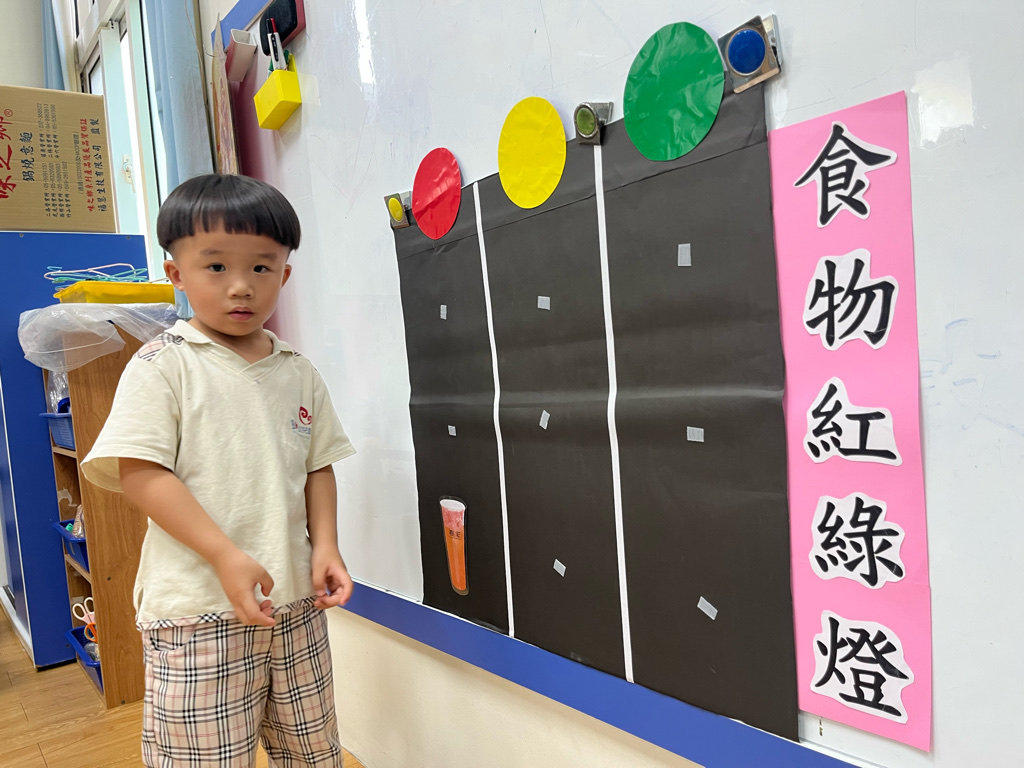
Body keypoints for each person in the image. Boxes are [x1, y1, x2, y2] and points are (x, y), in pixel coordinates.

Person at [82, 173, 356, 767]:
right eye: (215, 267)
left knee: (312, 752)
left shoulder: (298, 371)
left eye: (261, 267)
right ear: (175, 273)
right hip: (198, 612)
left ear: (284, 275)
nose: (241, 286)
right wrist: (225, 555)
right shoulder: (162, 365)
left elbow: (318, 466)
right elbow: (141, 473)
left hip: (294, 606)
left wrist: (326, 545)